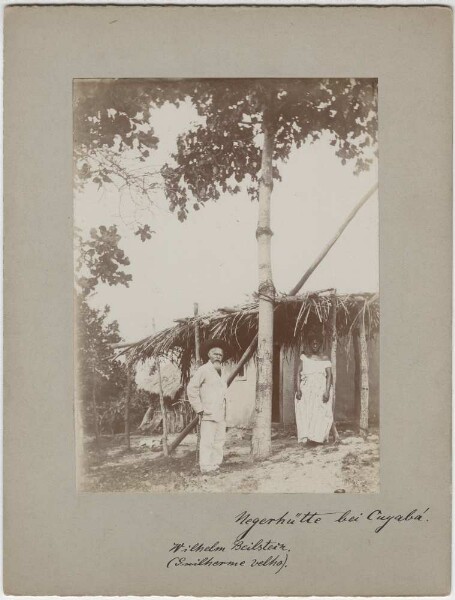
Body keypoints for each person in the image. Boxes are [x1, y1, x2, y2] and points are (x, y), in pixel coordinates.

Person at [187, 339, 228, 474]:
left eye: (220, 355)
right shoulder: (203, 370)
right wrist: (199, 408)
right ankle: (205, 466)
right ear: (209, 355)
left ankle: (215, 464)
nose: (217, 356)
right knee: (207, 441)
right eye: (215, 354)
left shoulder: (222, 371)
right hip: (208, 412)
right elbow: (191, 389)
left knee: (219, 440)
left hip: (220, 413)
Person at [295, 334, 333, 445]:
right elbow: (298, 373)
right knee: (306, 412)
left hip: (319, 389)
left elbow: (329, 376)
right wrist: (298, 389)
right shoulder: (305, 357)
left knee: (320, 412)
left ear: (320, 344)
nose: (315, 345)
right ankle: (307, 438)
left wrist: (326, 391)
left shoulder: (325, 358)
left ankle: (318, 438)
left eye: (317, 343)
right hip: (306, 389)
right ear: (310, 344)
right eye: (313, 342)